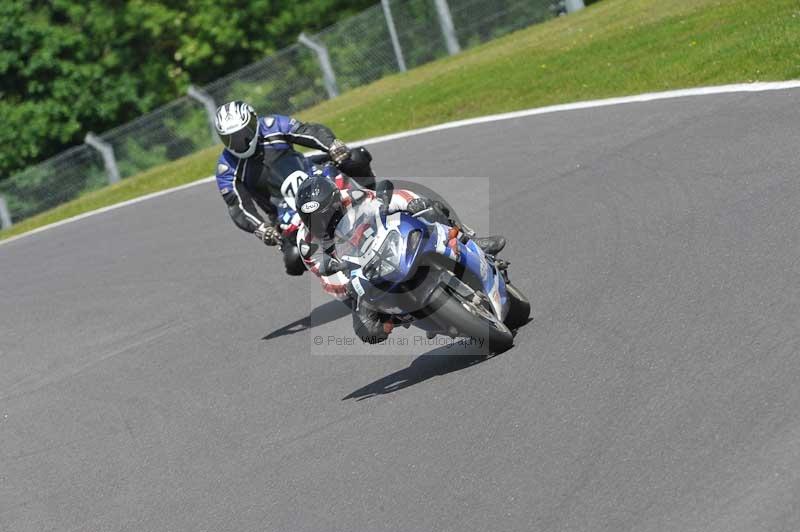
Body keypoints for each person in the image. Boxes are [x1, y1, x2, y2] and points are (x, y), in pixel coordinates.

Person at [294, 175, 506, 344]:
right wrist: (349, 288)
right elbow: (329, 281)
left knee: (431, 210)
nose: (321, 222)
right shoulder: (306, 243)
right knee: (368, 331)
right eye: (313, 219)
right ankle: (402, 317)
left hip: (389, 243)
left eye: (325, 214)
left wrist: (413, 203)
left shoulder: (352, 196)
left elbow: (391, 199)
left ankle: (470, 240)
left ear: (336, 202)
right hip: (362, 274)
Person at [213, 100, 375, 273]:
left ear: (254, 121)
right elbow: (237, 207)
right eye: (229, 138)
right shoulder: (227, 168)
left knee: (356, 157)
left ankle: (379, 198)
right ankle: (342, 285)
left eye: (243, 133)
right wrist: (260, 228)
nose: (239, 142)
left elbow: (308, 131)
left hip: (312, 175)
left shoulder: (272, 125)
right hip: (283, 213)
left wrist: (332, 145)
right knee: (294, 259)